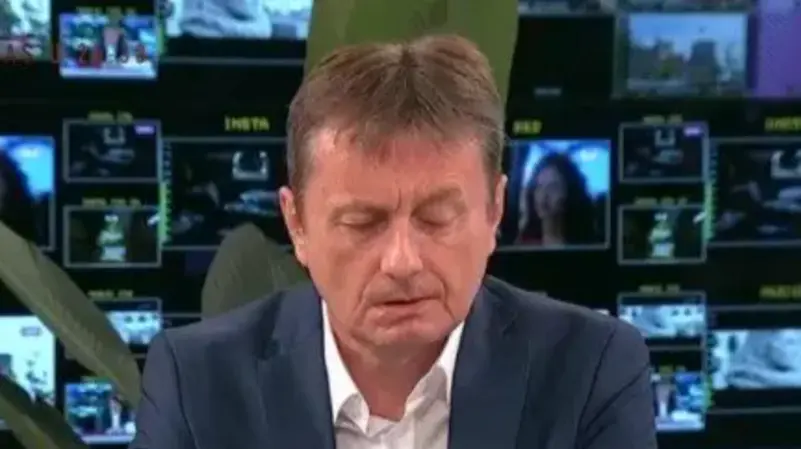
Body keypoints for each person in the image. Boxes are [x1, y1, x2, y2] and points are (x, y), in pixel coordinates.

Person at [130, 35, 656, 449]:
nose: (402, 262)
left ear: (495, 210)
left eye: (437, 219)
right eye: (362, 222)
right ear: (297, 225)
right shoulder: (196, 383)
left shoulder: (592, 369)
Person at [516, 152, 597, 246]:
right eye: (539, 187)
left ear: (570, 191)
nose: (543, 196)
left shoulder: (587, 244)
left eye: (553, 187)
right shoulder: (524, 244)